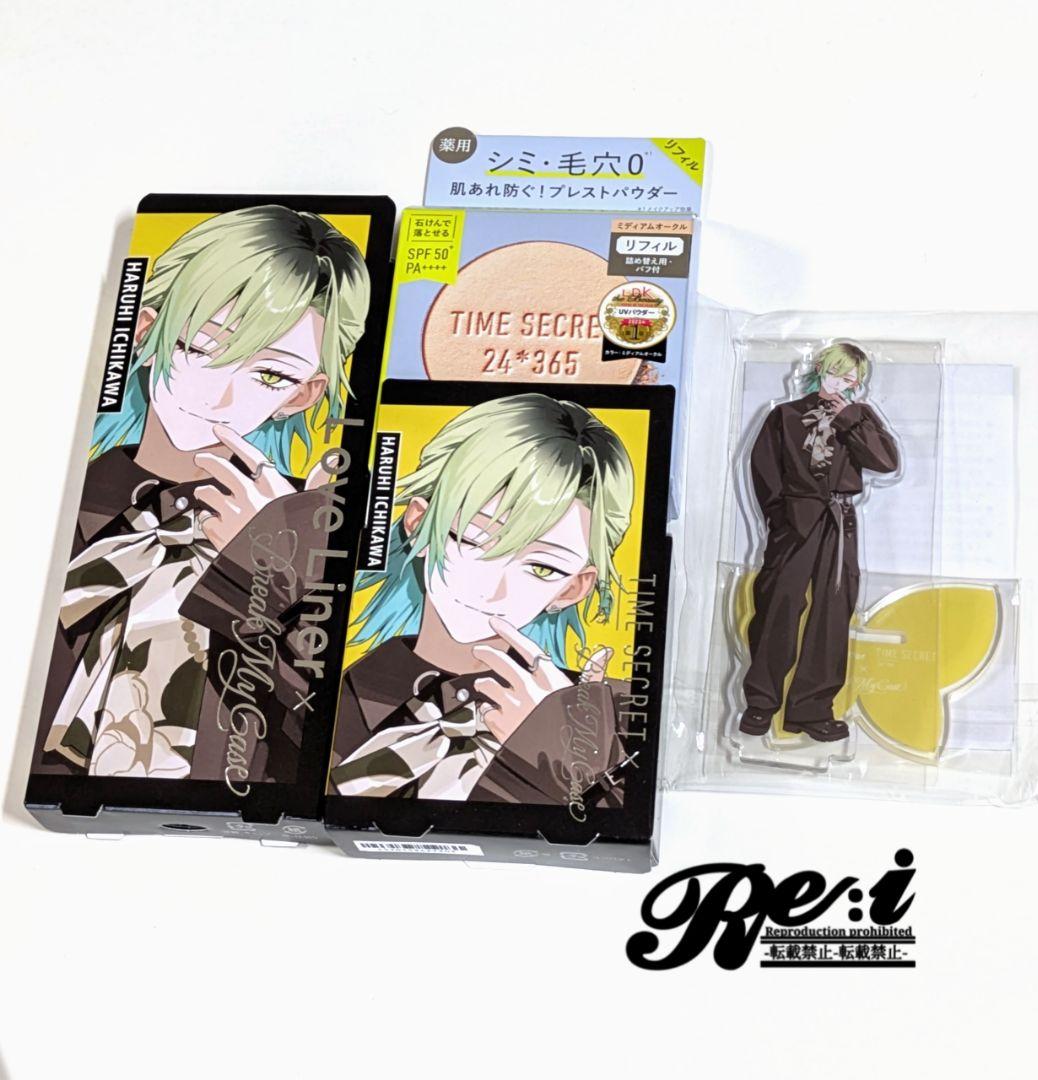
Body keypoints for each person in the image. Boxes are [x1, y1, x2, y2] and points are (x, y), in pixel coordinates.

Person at [36, 205, 371, 785]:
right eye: (205, 347)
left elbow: (332, 759)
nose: (223, 396)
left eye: (270, 376)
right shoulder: (65, 496)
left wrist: (270, 576)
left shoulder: (318, 529)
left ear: (303, 394)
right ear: (146, 330)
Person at [330, 393, 635, 808]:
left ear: (573, 588)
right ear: (418, 524)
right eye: (473, 541)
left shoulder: (618, 716)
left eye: (542, 568)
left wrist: (555, 760)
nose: (493, 589)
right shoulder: (322, 692)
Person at [739, 341, 899, 742]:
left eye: (852, 378)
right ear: (821, 370)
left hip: (839, 522)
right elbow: (764, 469)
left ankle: (811, 709)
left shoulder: (860, 417)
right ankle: (761, 702)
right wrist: (780, 517)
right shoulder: (785, 415)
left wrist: (850, 420)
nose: (843, 383)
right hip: (793, 522)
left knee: (833, 609)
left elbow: (885, 462)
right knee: (778, 604)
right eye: (838, 373)